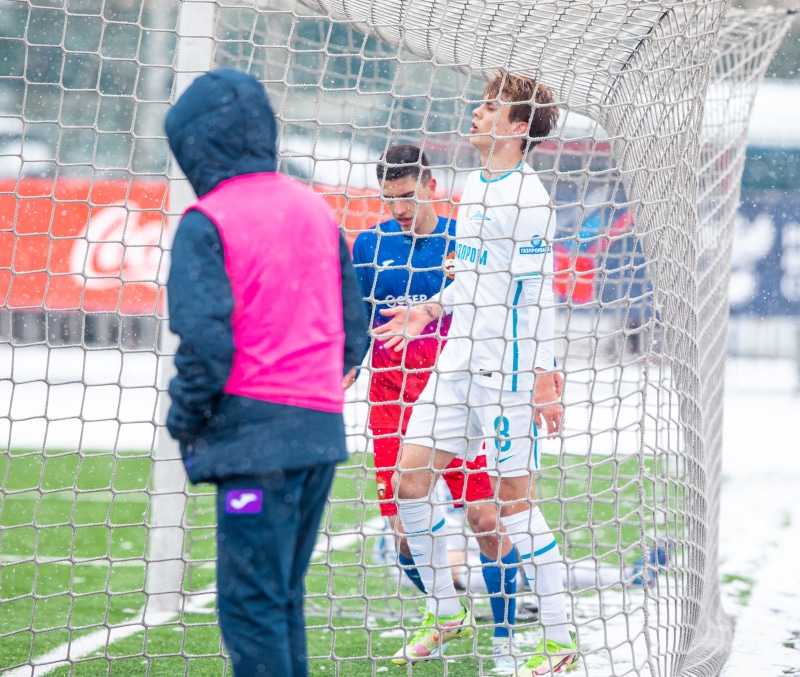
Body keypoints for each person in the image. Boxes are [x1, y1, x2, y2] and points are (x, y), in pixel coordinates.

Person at [373, 71, 579, 677]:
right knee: (410, 481)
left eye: (491, 108)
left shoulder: (530, 200)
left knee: (513, 510)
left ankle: (561, 641)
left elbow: (539, 293)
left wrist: (544, 374)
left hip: (509, 371)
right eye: (481, 104)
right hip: (458, 360)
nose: (477, 113)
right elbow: (472, 277)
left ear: (518, 129)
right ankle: (445, 609)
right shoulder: (473, 183)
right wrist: (428, 309)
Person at [164, 68, 368, 677]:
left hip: (256, 440)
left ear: (198, 143)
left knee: (251, 605)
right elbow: (354, 334)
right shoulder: (314, 210)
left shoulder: (209, 220)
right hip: (319, 435)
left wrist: (186, 418)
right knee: (282, 598)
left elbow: (205, 344)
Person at [347, 144, 520, 669]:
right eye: (388, 198)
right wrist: (349, 360)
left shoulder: (463, 239)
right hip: (390, 400)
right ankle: (445, 613)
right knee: (403, 532)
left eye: (405, 196)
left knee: (487, 519)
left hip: (458, 396)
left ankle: (506, 637)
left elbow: (493, 306)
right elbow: (357, 316)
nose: (397, 208)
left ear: (430, 187)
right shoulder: (369, 245)